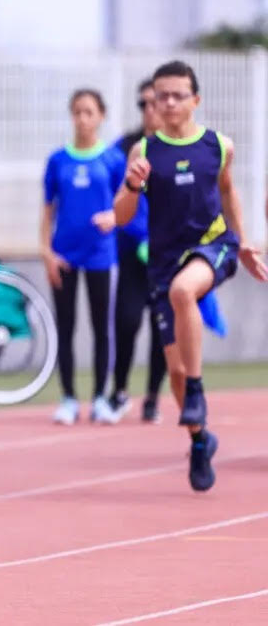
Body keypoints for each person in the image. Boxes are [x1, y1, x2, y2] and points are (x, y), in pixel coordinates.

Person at [114, 60, 268, 492]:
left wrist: (241, 240)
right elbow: (122, 215)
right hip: (163, 260)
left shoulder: (219, 145)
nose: (166, 102)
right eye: (159, 96)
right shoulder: (144, 152)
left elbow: (227, 190)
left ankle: (198, 391)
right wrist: (130, 185)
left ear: (195, 100)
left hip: (212, 246)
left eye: (177, 94)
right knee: (174, 371)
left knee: (186, 291)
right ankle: (201, 440)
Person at [41, 89, 124, 426]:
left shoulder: (114, 160)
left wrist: (115, 218)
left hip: (100, 255)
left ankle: (101, 397)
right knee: (66, 327)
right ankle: (68, 398)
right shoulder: (58, 160)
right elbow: (48, 211)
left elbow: (127, 203)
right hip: (64, 256)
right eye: (77, 112)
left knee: (101, 326)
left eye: (89, 112)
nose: (83, 119)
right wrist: (46, 252)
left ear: (101, 116)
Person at [110, 79, 166, 423]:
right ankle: (118, 391)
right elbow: (117, 197)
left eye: (154, 102)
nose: (149, 110)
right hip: (131, 252)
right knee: (127, 321)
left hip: (165, 255)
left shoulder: (177, 149)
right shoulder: (126, 148)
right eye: (142, 104)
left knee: (163, 328)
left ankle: (153, 399)